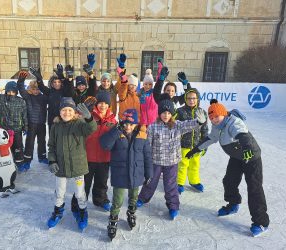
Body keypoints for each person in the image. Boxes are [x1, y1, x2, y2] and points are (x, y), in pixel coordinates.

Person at [185, 99, 270, 237]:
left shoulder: (234, 122)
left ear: (223, 114)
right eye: (211, 118)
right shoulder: (217, 126)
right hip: (237, 157)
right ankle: (233, 203)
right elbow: (210, 139)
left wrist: (248, 149)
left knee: (254, 188)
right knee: (229, 181)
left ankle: (261, 222)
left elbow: (243, 135)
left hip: (251, 156)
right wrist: (195, 150)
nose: (214, 120)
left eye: (216, 116)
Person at [136, 94, 207, 220]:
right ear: (159, 113)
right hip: (156, 161)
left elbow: (188, 124)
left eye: (169, 113)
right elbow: (148, 144)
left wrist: (198, 122)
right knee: (150, 182)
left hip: (172, 162)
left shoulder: (177, 125)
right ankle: (142, 198)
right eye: (163, 113)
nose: (166, 115)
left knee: (170, 185)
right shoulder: (153, 126)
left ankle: (173, 206)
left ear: (172, 114)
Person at [100, 109, 153, 240]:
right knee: (117, 200)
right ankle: (113, 219)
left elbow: (147, 156)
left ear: (136, 124)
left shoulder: (142, 136)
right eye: (125, 123)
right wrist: (115, 130)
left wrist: (149, 174)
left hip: (136, 173)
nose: (128, 126)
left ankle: (131, 212)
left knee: (134, 197)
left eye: (131, 124)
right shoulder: (116, 134)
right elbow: (104, 145)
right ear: (122, 123)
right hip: (120, 173)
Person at [46, 98, 97, 231]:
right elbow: (51, 146)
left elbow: (92, 129)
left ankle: (82, 212)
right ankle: (57, 212)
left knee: (80, 193)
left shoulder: (79, 124)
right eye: (64, 110)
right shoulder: (55, 126)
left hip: (78, 166)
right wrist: (52, 160)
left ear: (74, 112)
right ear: (60, 112)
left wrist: (89, 118)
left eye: (70, 110)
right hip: (61, 167)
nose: (67, 113)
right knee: (60, 193)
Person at [0, 71, 28, 168]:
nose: (11, 93)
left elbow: (24, 115)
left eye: (13, 92)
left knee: (18, 148)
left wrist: (26, 127)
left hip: (17, 130)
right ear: (6, 91)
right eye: (9, 91)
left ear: (16, 92)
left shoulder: (21, 101)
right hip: (5, 131)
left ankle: (19, 163)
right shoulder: (2, 99)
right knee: (6, 148)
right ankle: (7, 163)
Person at [84, 91, 117, 211]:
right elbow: (77, 124)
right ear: (96, 104)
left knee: (102, 182)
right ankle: (80, 201)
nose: (103, 105)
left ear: (109, 105)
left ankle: (100, 199)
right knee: (84, 183)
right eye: (100, 103)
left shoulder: (113, 120)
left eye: (105, 103)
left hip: (104, 158)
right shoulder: (89, 116)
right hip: (88, 157)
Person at [176, 88, 209, 193]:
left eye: (194, 98)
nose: (191, 100)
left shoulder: (202, 112)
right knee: (182, 164)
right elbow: (174, 127)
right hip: (183, 144)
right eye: (189, 98)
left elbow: (204, 130)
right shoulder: (180, 111)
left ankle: (194, 181)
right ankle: (179, 182)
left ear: (197, 99)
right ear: (185, 99)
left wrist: (204, 145)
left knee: (195, 164)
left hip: (197, 145)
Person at [16, 71, 48, 170]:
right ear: (30, 89)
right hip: (31, 124)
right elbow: (21, 90)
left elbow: (49, 95)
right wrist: (21, 81)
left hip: (41, 123)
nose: (36, 91)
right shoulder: (28, 97)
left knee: (42, 141)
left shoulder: (43, 97)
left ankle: (42, 157)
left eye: (38, 89)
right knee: (30, 142)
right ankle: (27, 160)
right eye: (33, 89)